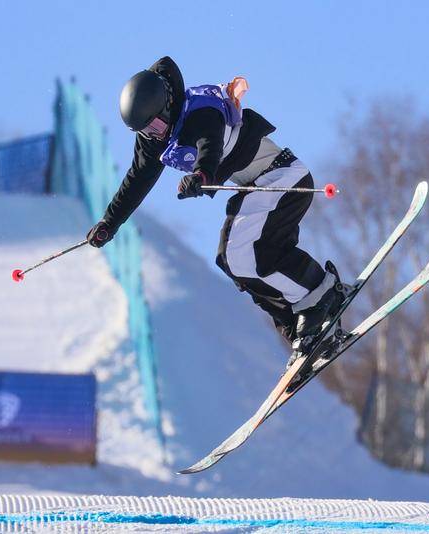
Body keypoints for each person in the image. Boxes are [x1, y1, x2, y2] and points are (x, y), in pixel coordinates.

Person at [86, 57, 342, 358]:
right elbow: (137, 179)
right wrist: (110, 222)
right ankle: (302, 326)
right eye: (144, 131)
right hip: (258, 189)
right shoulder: (154, 137)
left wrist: (201, 175)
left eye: (155, 125)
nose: (154, 134)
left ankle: (320, 293)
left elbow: (210, 145)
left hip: (283, 178)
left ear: (166, 104)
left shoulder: (200, 109)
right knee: (233, 261)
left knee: (238, 252)